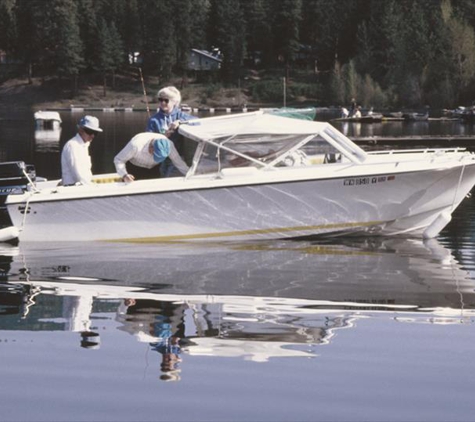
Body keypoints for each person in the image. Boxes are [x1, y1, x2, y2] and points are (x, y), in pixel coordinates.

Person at [146, 86, 196, 177]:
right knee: (163, 177)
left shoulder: (180, 115)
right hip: (161, 158)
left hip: (177, 157)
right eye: (160, 100)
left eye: (166, 100)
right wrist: (161, 136)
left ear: (174, 102)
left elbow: (198, 122)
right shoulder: (153, 120)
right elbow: (147, 139)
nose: (162, 103)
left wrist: (180, 122)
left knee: (169, 178)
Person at [114, 132, 189, 182]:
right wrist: (124, 174)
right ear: (151, 147)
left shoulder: (169, 145)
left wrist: (190, 175)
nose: (154, 158)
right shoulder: (135, 145)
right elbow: (119, 159)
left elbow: (179, 162)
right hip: (134, 169)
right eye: (155, 155)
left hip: (154, 169)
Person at [61, 115, 102, 186]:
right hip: (72, 188)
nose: (92, 135)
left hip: (82, 186)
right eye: (90, 131)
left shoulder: (84, 145)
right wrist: (94, 187)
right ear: (81, 130)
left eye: (95, 133)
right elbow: (78, 174)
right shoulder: (73, 146)